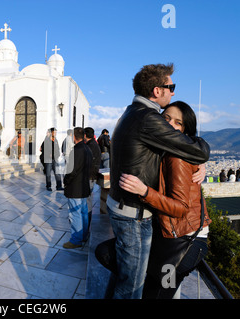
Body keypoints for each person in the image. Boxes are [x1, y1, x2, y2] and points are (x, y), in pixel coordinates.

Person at [107, 63, 210, 299]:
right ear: (157, 91)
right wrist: (197, 150)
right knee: (131, 287)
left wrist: (197, 162)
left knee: (132, 280)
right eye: (170, 87)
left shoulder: (131, 112)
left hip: (126, 209)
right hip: (134, 216)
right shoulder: (148, 119)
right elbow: (199, 150)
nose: (173, 92)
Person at [63, 127, 93, 249]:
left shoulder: (77, 150)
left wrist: (66, 181)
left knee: (75, 213)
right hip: (84, 186)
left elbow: (72, 171)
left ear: (74, 137)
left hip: (75, 187)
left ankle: (76, 240)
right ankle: (84, 235)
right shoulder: (87, 149)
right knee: (83, 212)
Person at [84, 127, 102, 230]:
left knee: (87, 201)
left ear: (85, 135)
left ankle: (86, 224)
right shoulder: (93, 145)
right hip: (92, 175)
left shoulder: (90, 146)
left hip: (89, 176)